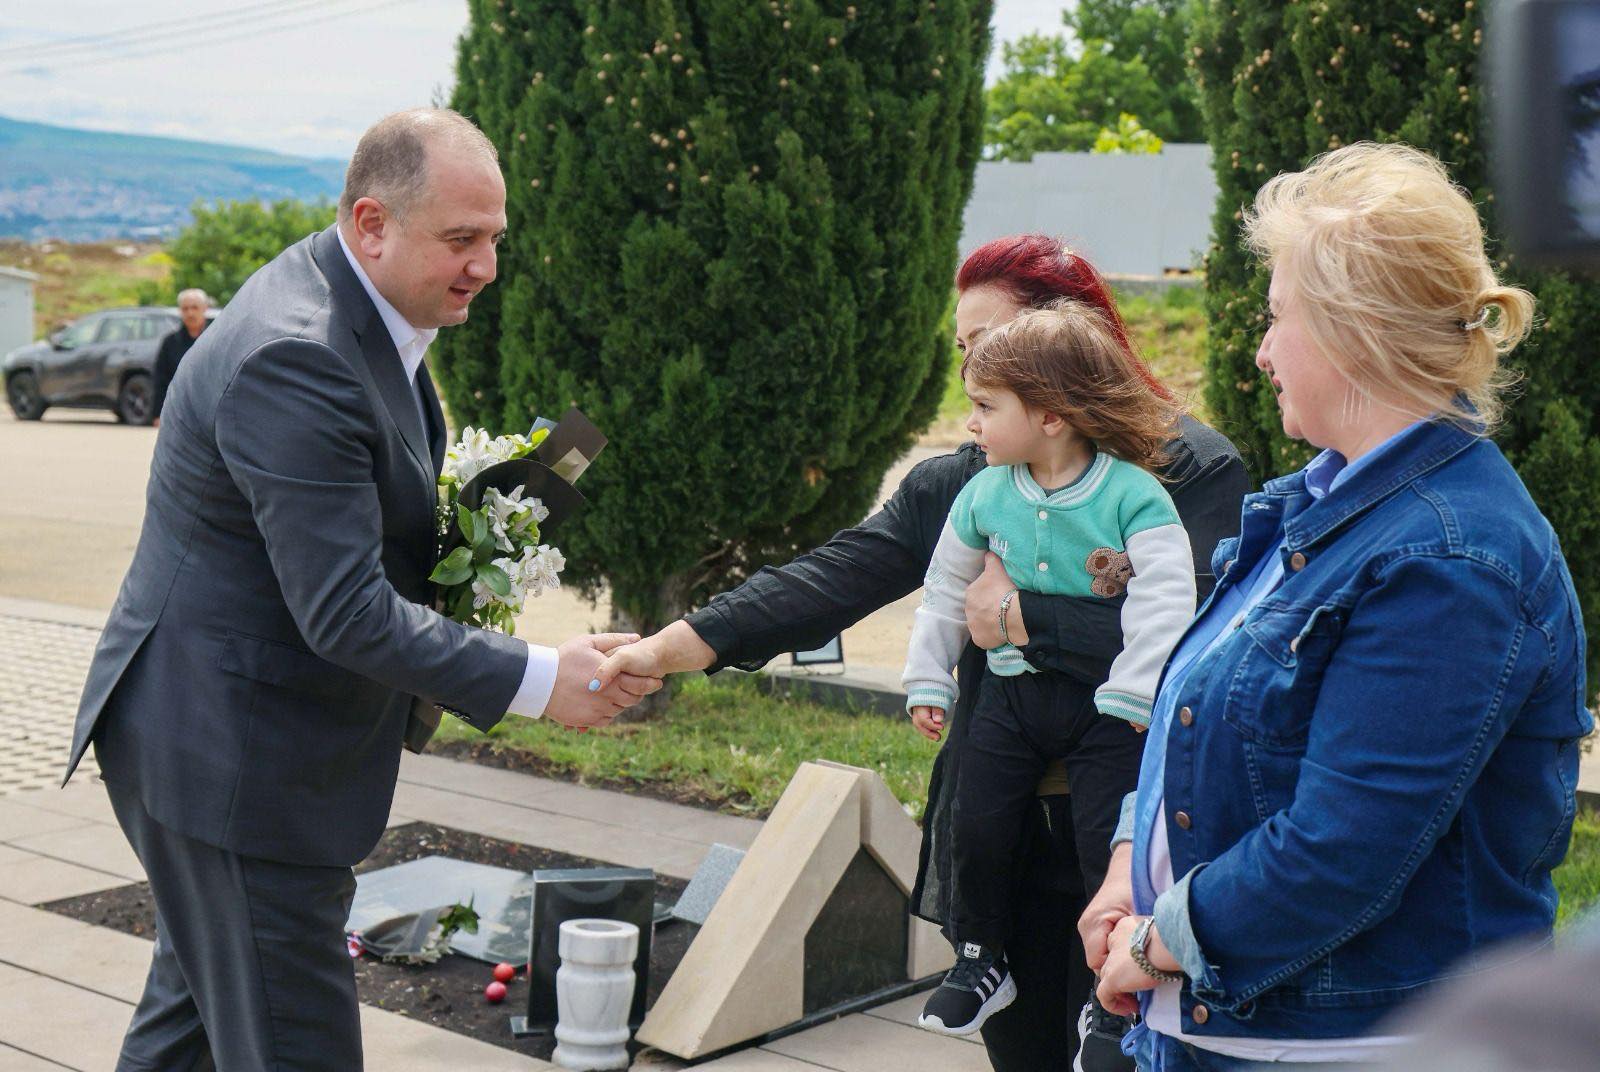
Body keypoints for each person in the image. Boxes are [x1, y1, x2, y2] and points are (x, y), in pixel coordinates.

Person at [63, 109, 661, 1072]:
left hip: (214, 736)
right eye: (461, 240)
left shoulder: (352, 299)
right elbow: (343, 610)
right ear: (372, 222)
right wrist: (541, 677)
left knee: (189, 1032)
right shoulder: (298, 354)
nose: (485, 267)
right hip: (235, 768)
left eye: (496, 238)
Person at [593, 234, 1251, 1071]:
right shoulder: (971, 484)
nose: (972, 376)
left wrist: (1017, 615)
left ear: (1066, 354)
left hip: (1135, 837)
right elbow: (834, 576)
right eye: (964, 351)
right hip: (1004, 831)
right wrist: (671, 648)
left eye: (990, 345)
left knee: (1126, 1054)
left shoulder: (1186, 469)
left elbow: (1198, 647)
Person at [1082, 142, 1592, 1070]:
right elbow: (1203, 728)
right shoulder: (1326, 508)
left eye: (1278, 317)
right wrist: (1129, 864)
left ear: (1353, 332)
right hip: (1235, 1026)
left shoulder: (1450, 560)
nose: (1262, 350)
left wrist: (1156, 944)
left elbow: (1340, 849)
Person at [907, 302, 1196, 1037]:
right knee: (976, 823)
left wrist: (1138, 687)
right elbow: (945, 587)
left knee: (1109, 846)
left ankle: (1111, 995)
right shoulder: (983, 493)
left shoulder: (1134, 495)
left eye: (985, 407)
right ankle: (980, 959)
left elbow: (1167, 598)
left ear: (1051, 416)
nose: (970, 423)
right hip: (1011, 697)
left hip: (1106, 712)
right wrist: (929, 677)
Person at [151, 287, 210, 425]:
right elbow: (160, 380)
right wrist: (158, 413)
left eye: (195, 307)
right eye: (185, 308)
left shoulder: (216, 339)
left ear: (205, 308)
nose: (190, 313)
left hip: (209, 412)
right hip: (178, 413)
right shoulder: (170, 343)